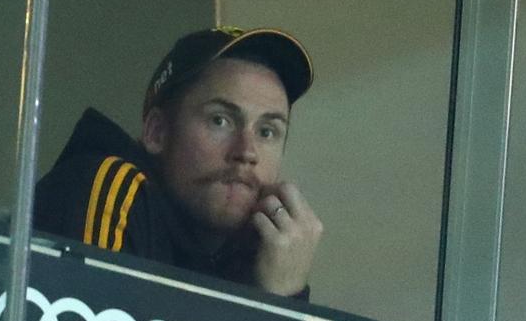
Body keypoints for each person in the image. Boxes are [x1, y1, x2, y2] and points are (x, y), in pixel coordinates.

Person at [34, 26, 323, 300]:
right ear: (157, 132)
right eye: (220, 120)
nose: (247, 151)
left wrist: (285, 292)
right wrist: (273, 307)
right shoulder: (112, 187)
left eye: (266, 131)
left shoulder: (253, 251)